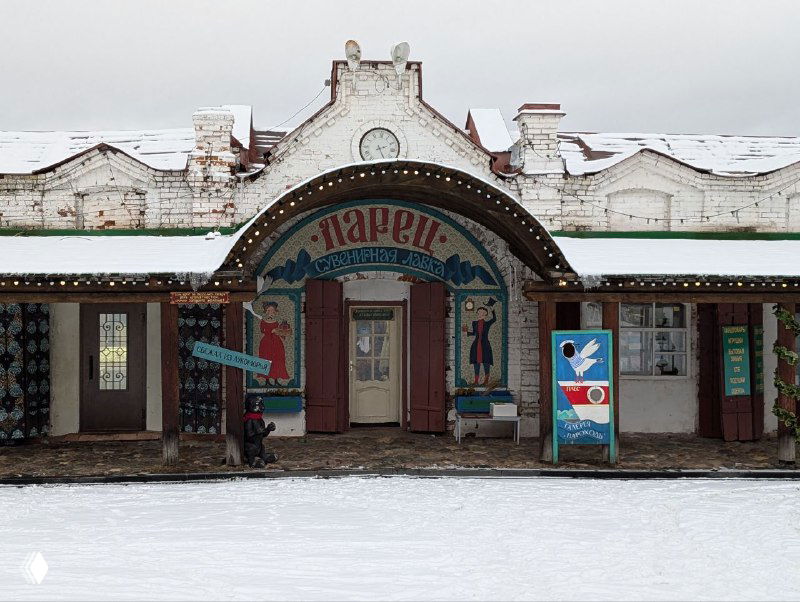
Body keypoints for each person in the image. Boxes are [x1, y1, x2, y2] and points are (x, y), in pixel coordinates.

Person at [257, 301, 291, 386]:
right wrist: (271, 331)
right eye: (269, 310)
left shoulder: (277, 321)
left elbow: (282, 330)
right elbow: (262, 330)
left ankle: (276, 379)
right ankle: (267, 380)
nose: (270, 312)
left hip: (276, 342)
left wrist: (279, 331)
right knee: (266, 359)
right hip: (266, 342)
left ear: (275, 311)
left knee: (277, 360)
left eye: (272, 310)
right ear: (266, 311)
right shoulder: (263, 321)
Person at [463, 304, 497, 386]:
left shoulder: (487, 323)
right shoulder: (474, 323)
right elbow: (474, 333)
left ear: (485, 315)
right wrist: (466, 332)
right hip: (476, 345)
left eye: (482, 313)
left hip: (485, 345)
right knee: (476, 362)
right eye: (479, 313)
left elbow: (494, 319)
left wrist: (492, 309)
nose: (480, 314)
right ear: (477, 314)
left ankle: (486, 381)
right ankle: (476, 381)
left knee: (486, 362)